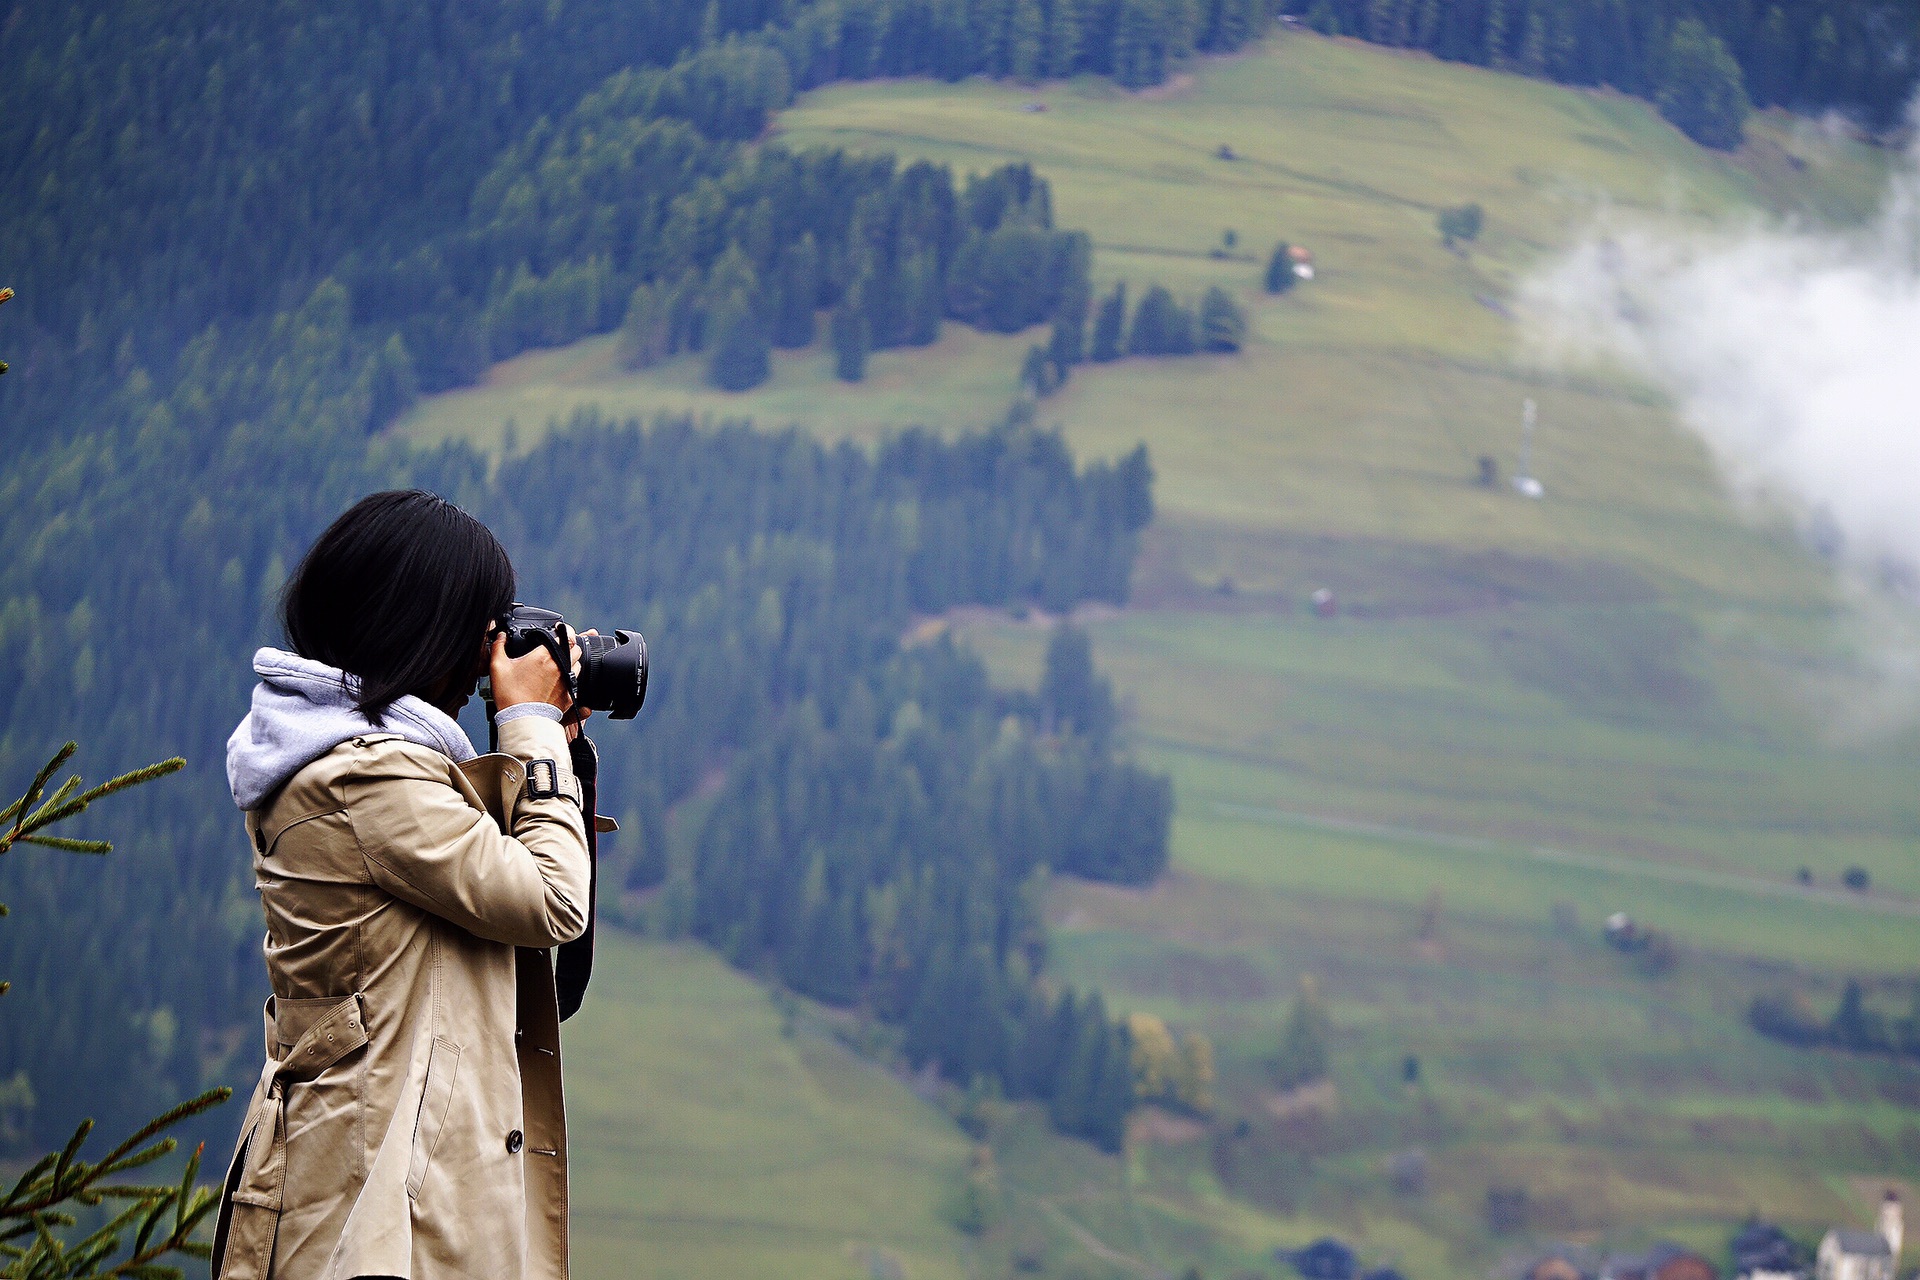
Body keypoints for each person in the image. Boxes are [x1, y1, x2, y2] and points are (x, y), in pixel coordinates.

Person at [214, 490, 593, 1280]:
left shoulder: (368, 767)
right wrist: (532, 733)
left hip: (380, 1193)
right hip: (374, 1217)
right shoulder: (363, 775)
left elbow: (478, 874)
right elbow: (550, 898)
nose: (482, 664)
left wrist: (550, 744)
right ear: (422, 624)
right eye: (479, 629)